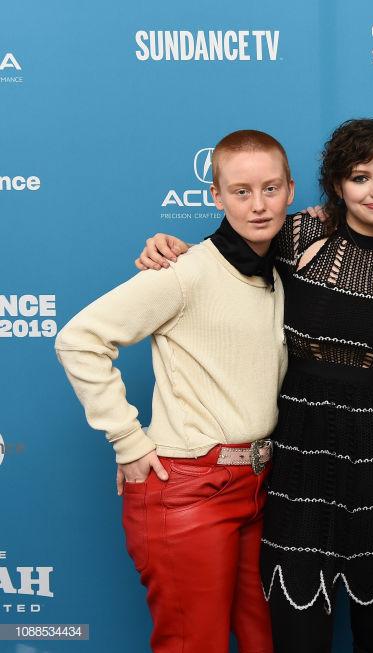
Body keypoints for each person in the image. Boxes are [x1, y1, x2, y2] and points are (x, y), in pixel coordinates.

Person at [135, 119, 373, 653]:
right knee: (299, 622)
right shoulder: (298, 237)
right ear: (337, 185)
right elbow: (225, 260)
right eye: (360, 176)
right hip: (302, 449)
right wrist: (170, 248)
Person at [55, 129, 293, 653]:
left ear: (291, 191)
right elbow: (79, 339)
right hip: (189, 489)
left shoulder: (281, 269)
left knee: (266, 642)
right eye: (240, 191)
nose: (257, 205)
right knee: (194, 645)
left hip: (257, 484)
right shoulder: (184, 272)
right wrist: (128, 440)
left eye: (271, 189)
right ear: (216, 196)